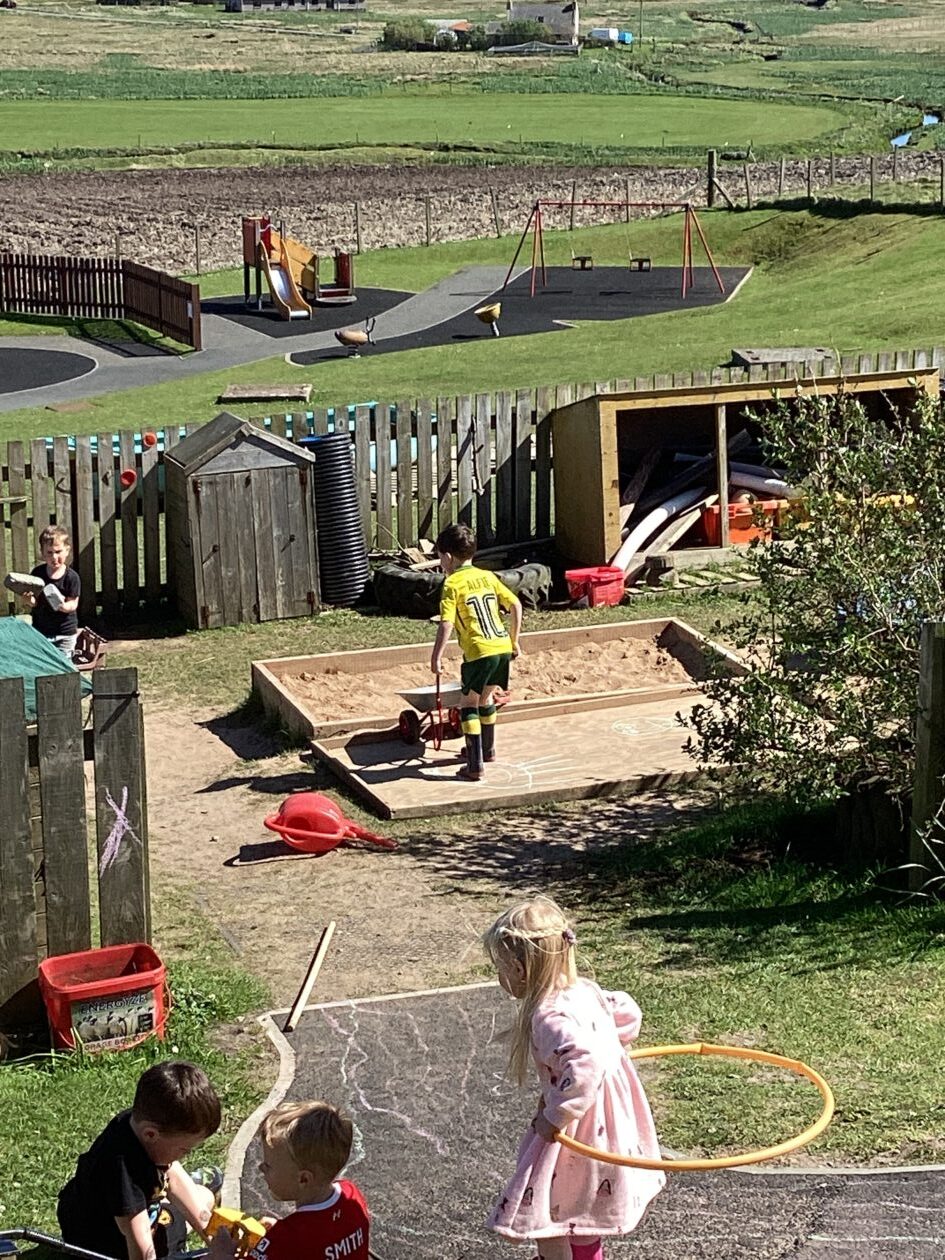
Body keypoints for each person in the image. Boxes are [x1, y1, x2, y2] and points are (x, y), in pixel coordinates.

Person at [483, 896, 665, 1260]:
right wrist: (613, 1046)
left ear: (519, 969)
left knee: (547, 1213)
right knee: (580, 1207)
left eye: (500, 968)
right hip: (610, 1125)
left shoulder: (548, 1016)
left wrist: (554, 1117)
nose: (501, 977)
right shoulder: (585, 990)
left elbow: (585, 1062)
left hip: (578, 1130)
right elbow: (628, 1012)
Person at [57, 1060, 223, 1260]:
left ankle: (176, 1196)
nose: (186, 1155)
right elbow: (142, 1246)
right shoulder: (123, 1172)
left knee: (204, 1200)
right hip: (108, 1247)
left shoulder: (138, 1123)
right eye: (184, 1150)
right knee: (203, 1199)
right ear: (151, 1134)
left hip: (97, 1215)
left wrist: (214, 1238)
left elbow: (172, 1174)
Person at [209, 1100, 369, 1260]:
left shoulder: (286, 1240)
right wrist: (283, 1232)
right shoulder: (352, 1195)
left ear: (304, 1179)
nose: (261, 1168)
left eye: (268, 1165)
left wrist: (221, 1254)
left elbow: (298, 1242)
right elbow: (322, 1237)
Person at [430, 523, 523, 781]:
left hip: (479, 651)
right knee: (487, 697)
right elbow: (515, 604)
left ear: (448, 557)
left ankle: (474, 765)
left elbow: (446, 623)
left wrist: (436, 656)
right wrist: (514, 640)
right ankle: (487, 750)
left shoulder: (452, 584)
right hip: (501, 646)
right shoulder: (488, 576)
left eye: (440, 558)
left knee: (468, 704)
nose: (441, 563)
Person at [27, 524, 81, 659]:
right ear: (42, 553)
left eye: (58, 552)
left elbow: (73, 604)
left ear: (67, 550)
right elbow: (34, 601)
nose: (54, 557)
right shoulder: (37, 574)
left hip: (65, 633)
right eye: (49, 553)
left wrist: (63, 606)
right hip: (41, 631)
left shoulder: (71, 577)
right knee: (42, 664)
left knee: (63, 665)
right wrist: (29, 600)